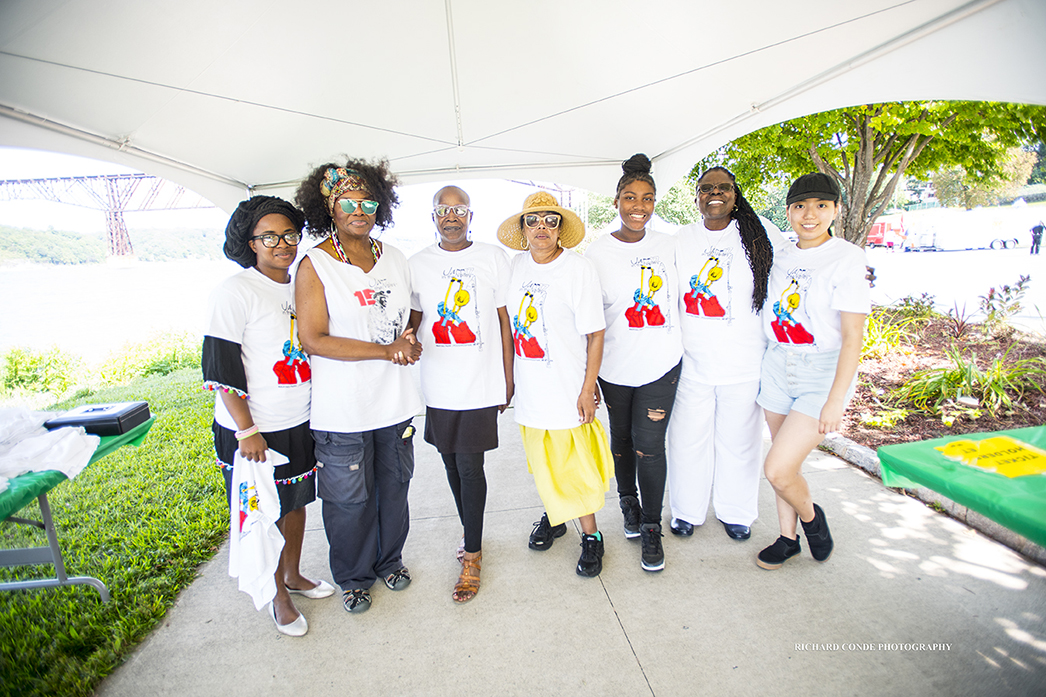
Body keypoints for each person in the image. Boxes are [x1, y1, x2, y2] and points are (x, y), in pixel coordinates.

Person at [293, 160, 423, 613]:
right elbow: (313, 339)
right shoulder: (315, 265)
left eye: (368, 202)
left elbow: (411, 313)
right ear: (329, 207)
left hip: (395, 403)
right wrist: (385, 352)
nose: (359, 209)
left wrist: (408, 337)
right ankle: (353, 576)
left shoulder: (396, 258)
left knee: (394, 488)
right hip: (342, 409)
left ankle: (390, 562)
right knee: (349, 500)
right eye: (347, 201)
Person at [203, 195, 334, 638]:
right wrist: (247, 429)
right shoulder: (236, 291)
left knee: (296, 505)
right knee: (265, 513)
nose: (283, 244)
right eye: (270, 236)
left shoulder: (300, 284)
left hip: (297, 420)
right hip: (254, 430)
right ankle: (277, 594)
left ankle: (294, 574)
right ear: (251, 242)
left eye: (290, 235)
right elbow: (220, 369)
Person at [755, 172, 869, 570]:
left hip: (820, 371)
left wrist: (836, 398)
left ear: (836, 210)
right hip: (776, 362)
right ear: (789, 210)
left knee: (778, 469)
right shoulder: (782, 254)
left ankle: (812, 520)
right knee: (783, 464)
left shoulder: (848, 257)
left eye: (821, 206)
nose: (810, 215)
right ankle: (787, 540)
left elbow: (853, 335)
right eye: (801, 206)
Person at [498, 191, 614, 577]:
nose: (541, 227)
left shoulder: (577, 269)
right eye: (533, 220)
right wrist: (508, 381)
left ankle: (592, 537)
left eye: (550, 219)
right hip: (532, 390)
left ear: (561, 227)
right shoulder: (514, 266)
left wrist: (587, 388)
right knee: (544, 464)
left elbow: (595, 334)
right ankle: (555, 515)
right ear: (523, 228)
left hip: (567, 388)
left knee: (574, 467)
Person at [408, 185, 514, 603]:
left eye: (459, 210)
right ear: (433, 216)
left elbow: (507, 321)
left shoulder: (491, 258)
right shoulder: (417, 264)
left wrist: (508, 376)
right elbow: (413, 318)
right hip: (438, 385)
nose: (451, 216)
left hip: (480, 383)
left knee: (470, 468)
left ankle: (472, 553)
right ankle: (470, 535)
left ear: (471, 215)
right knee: (450, 464)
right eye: (443, 210)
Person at [667, 167, 782, 544]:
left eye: (724, 188)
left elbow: (796, 265)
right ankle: (686, 511)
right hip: (692, 364)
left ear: (735, 194)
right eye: (706, 188)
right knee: (686, 441)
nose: (715, 193)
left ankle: (736, 512)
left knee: (740, 443)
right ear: (696, 196)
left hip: (745, 362)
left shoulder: (759, 232)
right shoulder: (682, 238)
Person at [584, 154, 682, 572]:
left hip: (661, 365)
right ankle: (628, 503)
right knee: (620, 440)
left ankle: (651, 525)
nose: (638, 206)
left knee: (650, 448)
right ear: (616, 201)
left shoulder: (670, 245)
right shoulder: (595, 253)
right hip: (614, 367)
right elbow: (587, 317)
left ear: (655, 202)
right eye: (629, 197)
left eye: (647, 198)